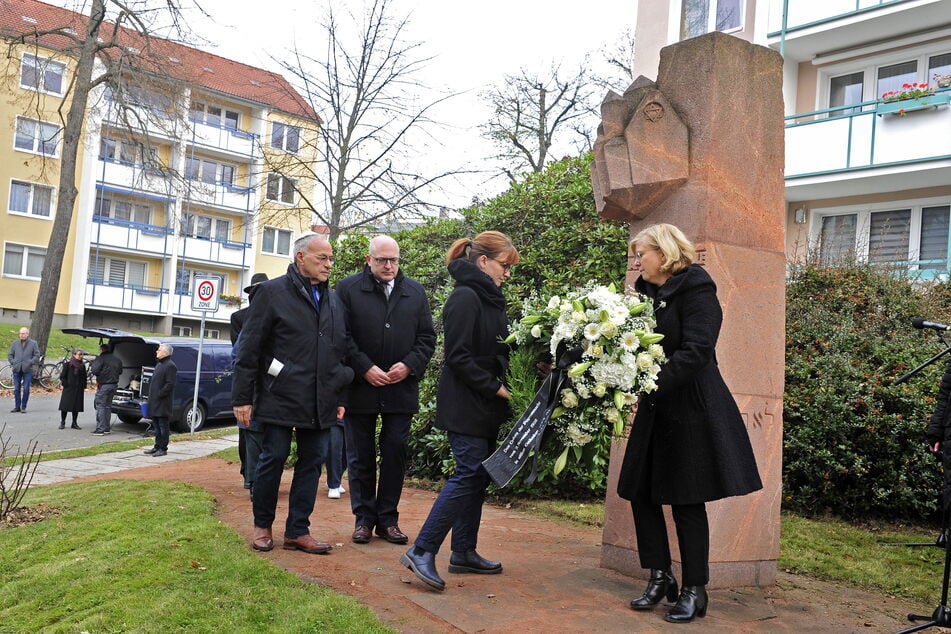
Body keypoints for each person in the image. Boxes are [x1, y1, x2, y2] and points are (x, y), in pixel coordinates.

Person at [618, 223, 762, 624]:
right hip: (656, 406)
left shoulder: (697, 289)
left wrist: (648, 382)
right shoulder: (643, 295)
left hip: (692, 408)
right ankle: (660, 575)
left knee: (685, 499)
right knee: (640, 492)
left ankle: (695, 589)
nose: (636, 261)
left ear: (663, 255)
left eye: (641, 253)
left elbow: (698, 350)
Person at [401, 231, 519, 591]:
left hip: (483, 406)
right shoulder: (465, 298)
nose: (508, 274)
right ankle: (422, 550)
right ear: (483, 262)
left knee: (478, 476)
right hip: (466, 404)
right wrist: (499, 388)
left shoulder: (489, 298)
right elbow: (459, 358)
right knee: (469, 473)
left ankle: (463, 552)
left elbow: (494, 350)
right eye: (504, 265)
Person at [232, 232, 353, 555]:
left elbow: (340, 351)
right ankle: (262, 526)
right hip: (278, 395)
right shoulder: (271, 294)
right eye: (322, 258)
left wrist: (340, 397)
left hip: (321, 398)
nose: (329, 264)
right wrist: (243, 398)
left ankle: (298, 530)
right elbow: (248, 350)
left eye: (330, 258)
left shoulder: (334, 299)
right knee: (272, 460)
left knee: (313, 463)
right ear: (301, 257)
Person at [337, 235, 436, 543]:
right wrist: (364, 367)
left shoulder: (415, 292)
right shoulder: (348, 289)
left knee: (395, 452)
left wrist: (409, 365)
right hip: (360, 387)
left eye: (393, 259)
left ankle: (388, 520)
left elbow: (426, 339)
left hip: (399, 388)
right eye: (382, 260)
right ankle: (363, 519)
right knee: (360, 455)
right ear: (369, 260)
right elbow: (342, 336)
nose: (389, 265)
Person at [230, 272, 268, 495]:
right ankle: (250, 475)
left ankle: (255, 478)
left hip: (270, 384)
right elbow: (240, 354)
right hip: (249, 382)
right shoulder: (240, 318)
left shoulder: (276, 314)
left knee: (256, 435)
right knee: (248, 434)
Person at [143, 343, 177, 457]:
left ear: (166, 353)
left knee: (163, 426)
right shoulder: (159, 365)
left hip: (163, 402)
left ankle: (163, 448)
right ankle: (157, 446)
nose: (157, 351)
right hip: (155, 401)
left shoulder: (170, 366)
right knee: (156, 426)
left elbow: (170, 384)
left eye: (159, 350)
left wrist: (159, 394)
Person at [89, 343, 123, 436]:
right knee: (108, 406)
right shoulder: (117, 359)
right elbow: (120, 371)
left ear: (101, 349)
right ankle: (106, 428)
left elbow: (94, 370)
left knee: (100, 406)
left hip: (104, 385)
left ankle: (100, 428)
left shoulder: (100, 359)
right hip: (114, 385)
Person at [8, 327, 40, 413]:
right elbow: (10, 355)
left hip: (28, 369)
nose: (21, 335)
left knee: (26, 389)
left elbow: (37, 355)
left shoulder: (33, 343)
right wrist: (13, 362)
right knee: (16, 388)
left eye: (23, 333)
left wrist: (30, 362)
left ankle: (23, 407)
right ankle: (17, 406)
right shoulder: (15, 343)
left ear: (27, 334)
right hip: (17, 368)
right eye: (20, 333)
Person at [57, 348, 87, 430]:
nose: (81, 356)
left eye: (81, 355)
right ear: (74, 355)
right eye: (79, 354)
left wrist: (83, 386)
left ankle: (74, 422)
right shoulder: (68, 364)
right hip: (69, 388)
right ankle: (62, 422)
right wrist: (65, 384)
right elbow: (62, 376)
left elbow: (84, 377)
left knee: (76, 406)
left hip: (78, 388)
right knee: (65, 406)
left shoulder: (82, 365)